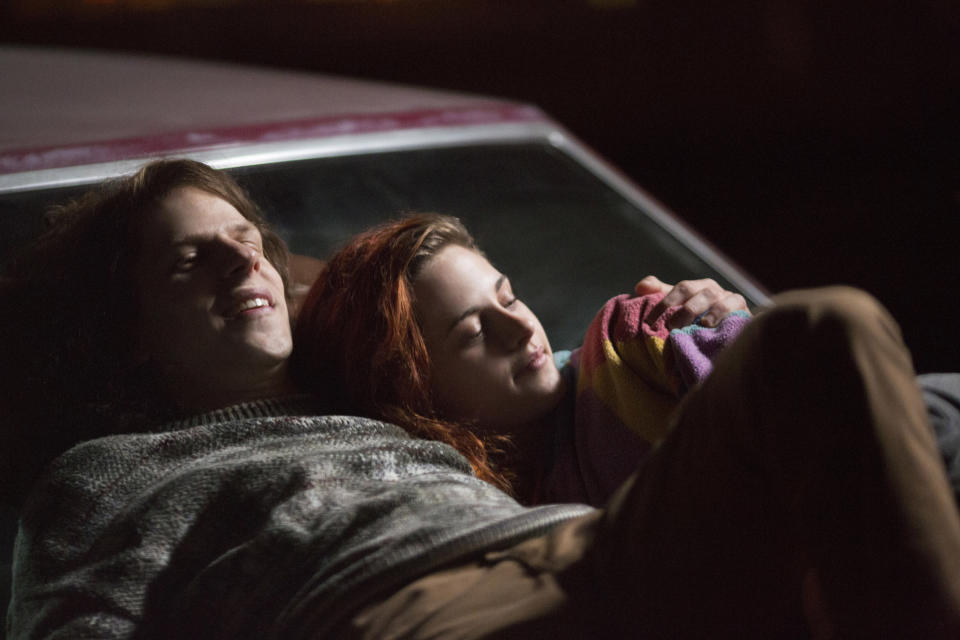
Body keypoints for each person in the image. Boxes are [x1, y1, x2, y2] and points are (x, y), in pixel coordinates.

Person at [4, 159, 960, 638]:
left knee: (820, 327)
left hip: (587, 547)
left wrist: (695, 320)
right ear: (130, 326)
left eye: (244, 239)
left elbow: (546, 377)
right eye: (190, 257)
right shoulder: (107, 474)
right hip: (419, 616)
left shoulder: (373, 393)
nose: (240, 258)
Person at [292, 214, 753, 505]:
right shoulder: (464, 502)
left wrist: (737, 333)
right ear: (413, 391)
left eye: (509, 300)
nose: (521, 330)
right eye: (474, 332)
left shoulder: (625, 345)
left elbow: (788, 408)